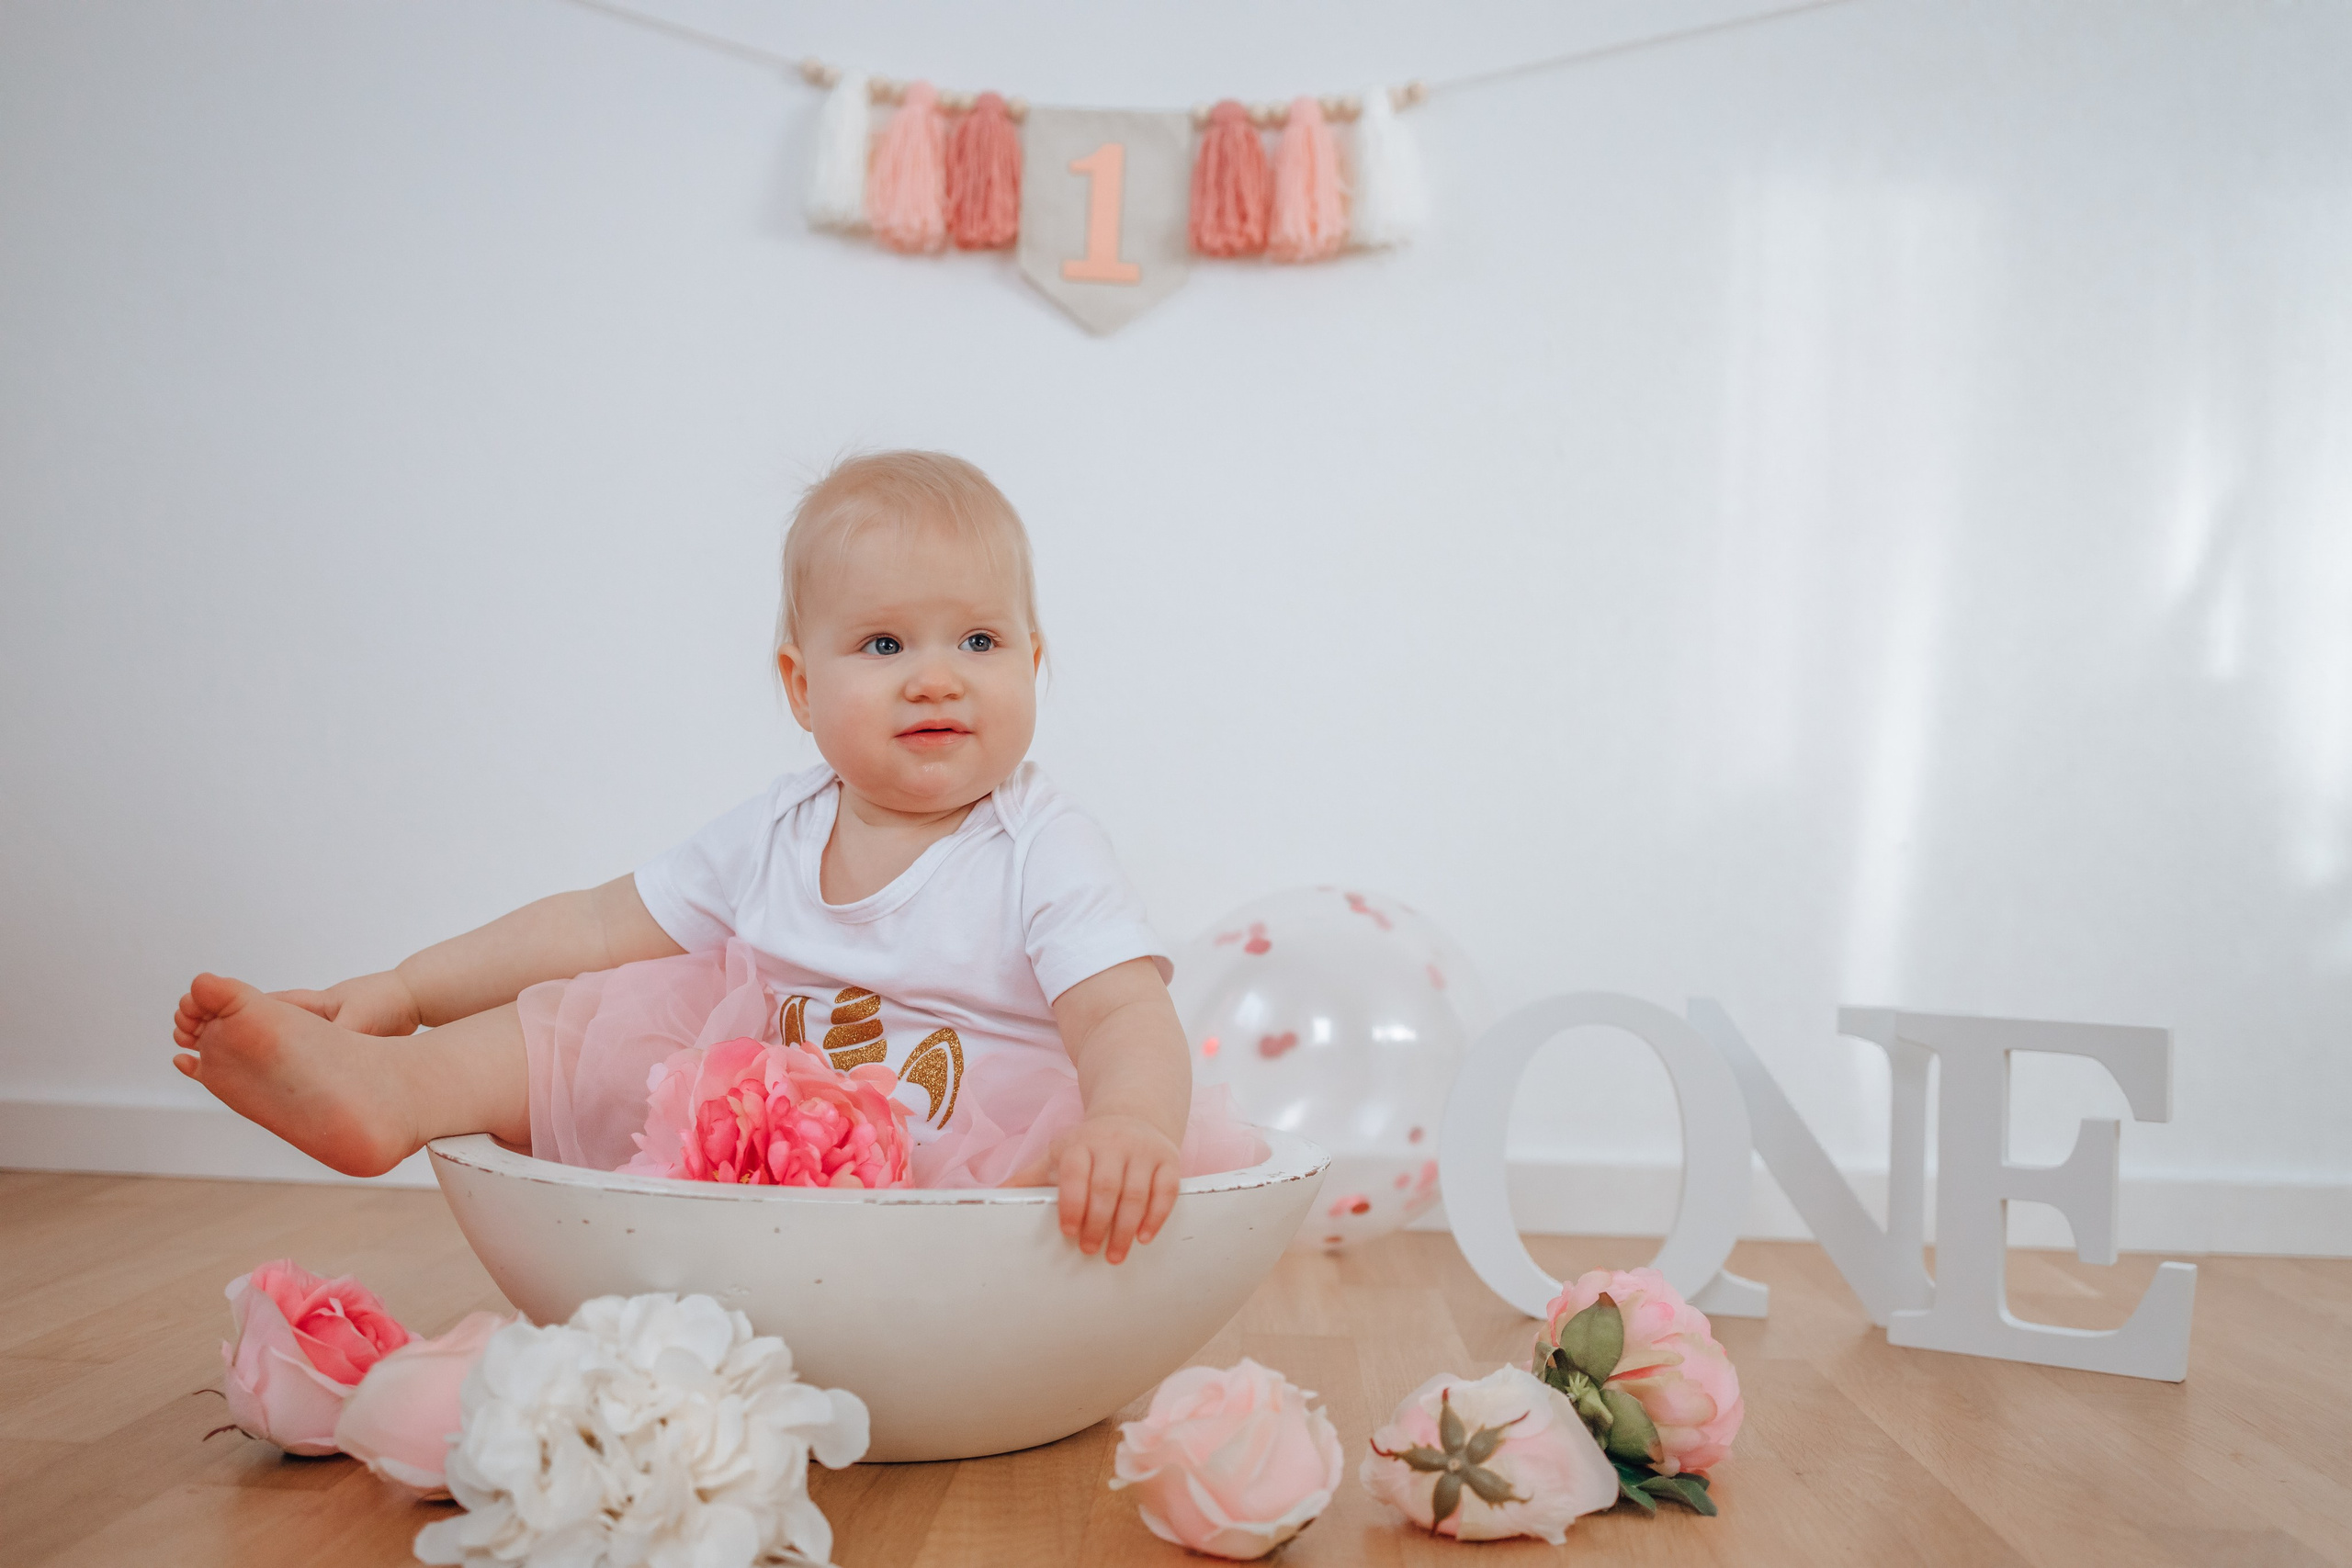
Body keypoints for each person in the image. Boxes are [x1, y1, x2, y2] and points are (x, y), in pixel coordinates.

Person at [172, 450, 1257, 1265]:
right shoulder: (778, 831)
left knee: (1049, 1168)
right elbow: (589, 923)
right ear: (798, 685)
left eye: (977, 640)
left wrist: (1126, 1122)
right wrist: (407, 987)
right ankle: (394, 1087)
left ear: (1034, 661)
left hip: (964, 1179)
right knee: (586, 1017)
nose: (936, 677)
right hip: (773, 1157)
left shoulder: (1040, 847)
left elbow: (1122, 1016)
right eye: (884, 645)